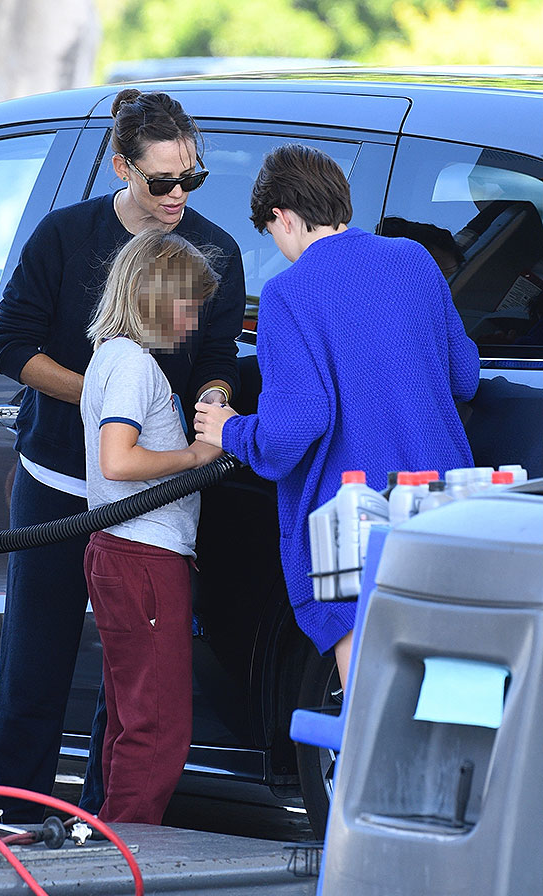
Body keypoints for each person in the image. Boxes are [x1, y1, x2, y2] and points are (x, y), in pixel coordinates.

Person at [0, 88, 245, 822]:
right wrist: (107, 401)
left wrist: (212, 403)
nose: (177, 195)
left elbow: (218, 354)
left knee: (130, 677)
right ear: (122, 167)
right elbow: (12, 346)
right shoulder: (65, 235)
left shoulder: (216, 248)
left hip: (146, 497)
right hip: (57, 479)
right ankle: (13, 817)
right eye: (161, 180)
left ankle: (102, 828)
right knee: (35, 660)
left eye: (191, 178)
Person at [194, 143, 479, 687]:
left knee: (372, 709)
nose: (280, 248)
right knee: (454, 700)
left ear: (281, 216)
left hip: (354, 523)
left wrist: (229, 429)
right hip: (444, 511)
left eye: (271, 233)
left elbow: (291, 431)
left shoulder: (288, 294)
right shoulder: (414, 259)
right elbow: (463, 377)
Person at [81, 229, 221, 823]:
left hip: (116, 551)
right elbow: (119, 459)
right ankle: (131, 850)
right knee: (157, 726)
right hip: (145, 556)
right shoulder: (136, 366)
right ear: (155, 297)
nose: (193, 322)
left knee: (127, 716)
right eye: (188, 305)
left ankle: (111, 835)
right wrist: (195, 455)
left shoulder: (108, 356)